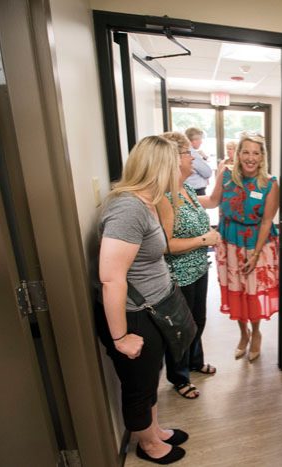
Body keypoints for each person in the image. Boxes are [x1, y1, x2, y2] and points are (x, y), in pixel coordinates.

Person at [96, 135, 188, 465]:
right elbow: (111, 278)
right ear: (160, 168)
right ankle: (147, 445)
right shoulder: (127, 208)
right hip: (135, 315)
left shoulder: (148, 202)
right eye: (176, 167)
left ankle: (154, 430)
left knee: (151, 376)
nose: (180, 172)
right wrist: (120, 337)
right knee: (139, 385)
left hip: (153, 309)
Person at [215, 133, 282, 362]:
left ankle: (257, 332)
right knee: (236, 289)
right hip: (230, 242)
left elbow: (266, 221)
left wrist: (255, 254)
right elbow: (212, 201)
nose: (250, 158)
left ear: (262, 157)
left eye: (256, 153)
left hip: (256, 243)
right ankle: (243, 334)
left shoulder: (269, 183)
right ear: (238, 154)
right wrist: (179, 193)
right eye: (246, 152)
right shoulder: (226, 176)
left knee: (251, 290)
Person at [158, 132, 224, 400]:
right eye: (188, 154)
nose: (193, 159)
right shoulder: (164, 196)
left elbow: (210, 203)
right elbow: (165, 244)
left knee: (198, 321)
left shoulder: (184, 189)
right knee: (181, 328)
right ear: (174, 159)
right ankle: (179, 376)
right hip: (179, 275)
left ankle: (195, 362)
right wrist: (204, 239)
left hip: (198, 268)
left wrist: (220, 176)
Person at [184, 127, 212, 195]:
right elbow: (207, 173)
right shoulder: (192, 153)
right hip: (196, 191)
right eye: (200, 139)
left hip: (189, 189)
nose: (201, 142)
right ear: (194, 140)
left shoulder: (186, 151)